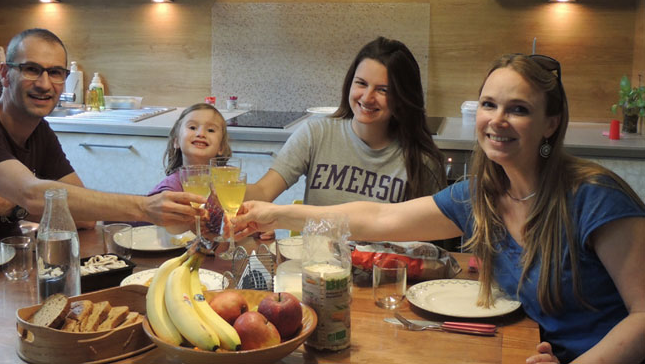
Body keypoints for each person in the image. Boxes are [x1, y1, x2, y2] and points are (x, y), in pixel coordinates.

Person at [232, 54, 645, 363]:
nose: (497, 120)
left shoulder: (594, 197)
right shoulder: (481, 195)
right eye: (489, 104)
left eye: (518, 109)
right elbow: (380, 218)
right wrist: (275, 213)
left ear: (551, 123)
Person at [0, 28, 204, 265]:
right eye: (31, 69)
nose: (45, 84)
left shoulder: (39, 132)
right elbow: (32, 194)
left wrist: (5, 203)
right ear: (4, 73)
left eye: (56, 72)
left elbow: (83, 219)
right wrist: (145, 207)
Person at [244, 36, 446, 207]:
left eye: (383, 90)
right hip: (319, 255)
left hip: (386, 256)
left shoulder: (421, 161)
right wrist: (215, 188)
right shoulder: (316, 134)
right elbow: (262, 191)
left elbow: (427, 239)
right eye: (361, 83)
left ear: (402, 96)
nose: (367, 98)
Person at [148, 103, 231, 238]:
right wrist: (188, 224)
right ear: (176, 142)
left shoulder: (227, 180)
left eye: (210, 130)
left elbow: (240, 217)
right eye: (192, 127)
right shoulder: (171, 186)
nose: (201, 134)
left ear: (221, 147)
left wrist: (257, 228)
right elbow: (164, 228)